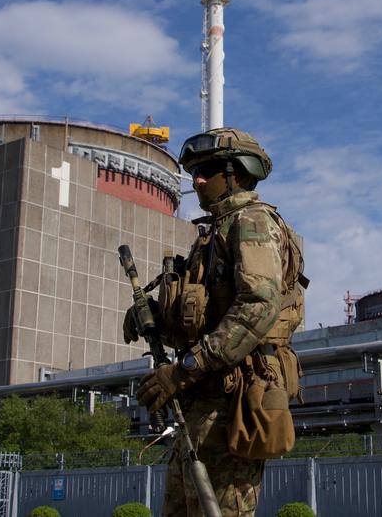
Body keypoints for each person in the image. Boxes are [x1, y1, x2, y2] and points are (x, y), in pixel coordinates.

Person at [124, 128, 306, 516]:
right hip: (203, 401)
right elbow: (204, 319)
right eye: (194, 172)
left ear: (236, 174)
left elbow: (258, 305)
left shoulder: (252, 222)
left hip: (234, 402)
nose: (197, 180)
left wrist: (187, 368)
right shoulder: (214, 233)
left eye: (207, 170)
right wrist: (154, 317)